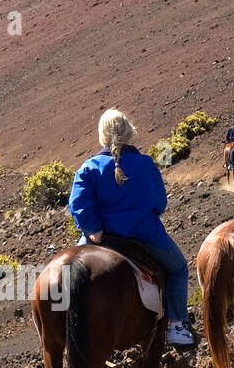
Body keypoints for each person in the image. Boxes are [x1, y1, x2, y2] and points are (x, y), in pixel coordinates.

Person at [69, 109, 195, 346]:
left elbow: (78, 203)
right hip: (144, 236)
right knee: (178, 268)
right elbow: (159, 204)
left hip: (100, 238)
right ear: (128, 132)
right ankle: (177, 325)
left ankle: (61, 327)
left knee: (67, 274)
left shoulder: (88, 167)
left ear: (102, 135)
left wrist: (93, 228)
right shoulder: (146, 164)